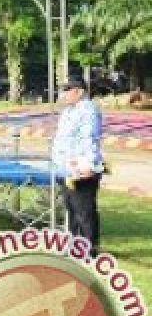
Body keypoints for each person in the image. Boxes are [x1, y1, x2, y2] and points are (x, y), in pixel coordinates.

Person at [51, 74, 105, 258]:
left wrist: (88, 165)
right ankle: (75, 248)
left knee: (84, 211)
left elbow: (89, 138)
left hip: (81, 169)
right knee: (72, 211)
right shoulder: (69, 111)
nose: (64, 94)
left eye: (67, 90)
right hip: (66, 168)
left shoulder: (88, 111)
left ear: (79, 91)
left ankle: (90, 250)